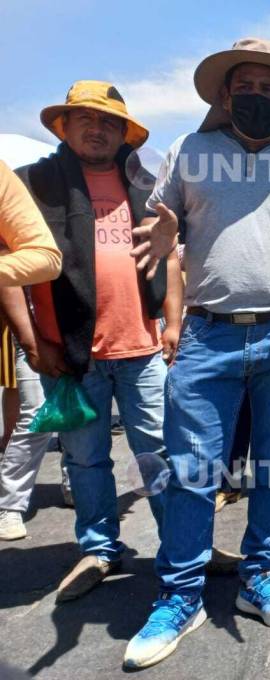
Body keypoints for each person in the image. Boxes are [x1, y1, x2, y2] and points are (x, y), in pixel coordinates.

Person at [124, 38, 270, 668]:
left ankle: (260, 576)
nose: (256, 97)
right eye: (244, 87)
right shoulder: (189, 152)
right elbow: (166, 232)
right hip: (207, 336)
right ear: (226, 97)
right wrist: (168, 245)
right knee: (194, 475)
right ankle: (180, 596)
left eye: (268, 89)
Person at [0, 82, 182, 596]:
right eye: (86, 118)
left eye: (109, 122)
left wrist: (173, 322)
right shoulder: (32, 184)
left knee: (162, 453)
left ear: (124, 133)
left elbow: (167, 256)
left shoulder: (146, 186)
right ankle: (98, 549)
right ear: (64, 126)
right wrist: (34, 342)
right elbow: (7, 269)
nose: (98, 129)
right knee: (85, 459)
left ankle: (181, 544)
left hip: (142, 349)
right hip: (73, 356)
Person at [0, 158, 62, 542]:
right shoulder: (25, 192)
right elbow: (11, 280)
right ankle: (9, 503)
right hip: (35, 332)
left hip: (81, 335)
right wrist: (30, 340)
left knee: (81, 419)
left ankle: (78, 488)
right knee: (36, 415)